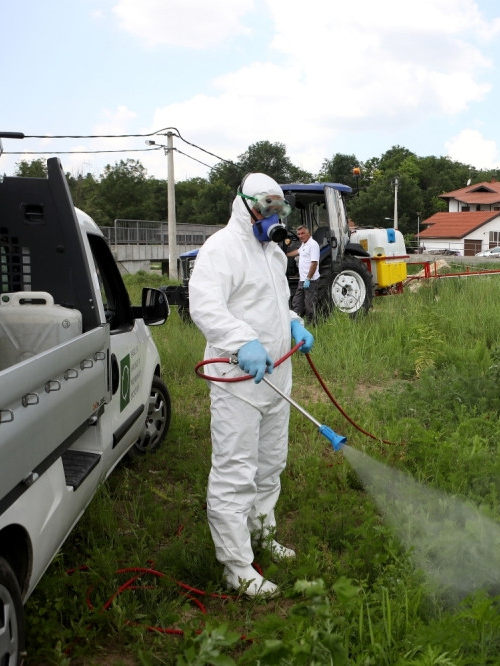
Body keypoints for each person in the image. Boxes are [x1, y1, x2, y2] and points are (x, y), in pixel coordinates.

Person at [188, 173, 315, 598]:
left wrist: (294, 324)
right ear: (244, 205)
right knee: (235, 471)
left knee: (270, 464)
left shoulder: (273, 253)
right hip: (238, 381)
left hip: (276, 379)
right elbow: (205, 305)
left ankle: (261, 534)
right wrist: (242, 340)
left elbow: (275, 302)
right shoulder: (221, 249)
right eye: (266, 208)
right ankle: (236, 565)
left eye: (279, 208)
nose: (272, 216)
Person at [289, 225, 320, 323]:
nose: (300, 236)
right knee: (296, 302)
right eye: (298, 234)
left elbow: (314, 263)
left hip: (310, 280)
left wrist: (308, 278)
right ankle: (295, 323)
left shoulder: (313, 245)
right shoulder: (304, 244)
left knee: (309, 304)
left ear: (308, 233)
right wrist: (285, 254)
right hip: (302, 280)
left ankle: (312, 325)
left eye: (302, 233)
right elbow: (297, 252)